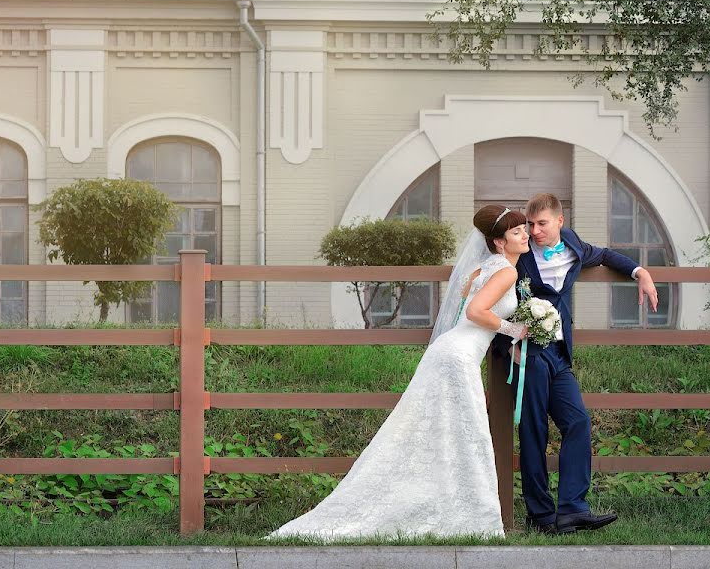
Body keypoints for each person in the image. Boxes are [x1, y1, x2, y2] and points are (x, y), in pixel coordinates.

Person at [266, 204, 531, 541]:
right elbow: (476, 311)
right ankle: (466, 515)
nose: (525, 235)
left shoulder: (482, 268)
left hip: (448, 350)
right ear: (498, 241)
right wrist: (514, 330)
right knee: (464, 434)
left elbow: (465, 302)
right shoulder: (506, 272)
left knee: (433, 433)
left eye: (523, 229)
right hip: (459, 357)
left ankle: (443, 504)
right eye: (517, 231)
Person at [491, 193, 658, 535]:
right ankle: (540, 515)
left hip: (560, 352)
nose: (534, 231)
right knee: (533, 431)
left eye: (541, 224)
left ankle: (572, 509)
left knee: (578, 422)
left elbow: (606, 255)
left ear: (559, 222)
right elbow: (491, 300)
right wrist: (507, 347)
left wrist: (640, 271)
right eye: (530, 225)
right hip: (528, 352)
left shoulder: (573, 245)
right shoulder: (516, 254)